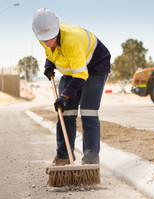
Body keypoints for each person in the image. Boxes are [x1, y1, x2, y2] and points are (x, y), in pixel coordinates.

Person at [32, 8, 111, 165]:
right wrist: (49, 63)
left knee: (88, 112)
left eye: (50, 38)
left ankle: (90, 160)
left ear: (56, 29)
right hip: (72, 67)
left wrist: (64, 96)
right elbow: (51, 51)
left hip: (94, 66)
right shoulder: (44, 36)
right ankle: (64, 156)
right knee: (64, 112)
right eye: (44, 39)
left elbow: (81, 75)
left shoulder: (71, 40)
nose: (47, 41)